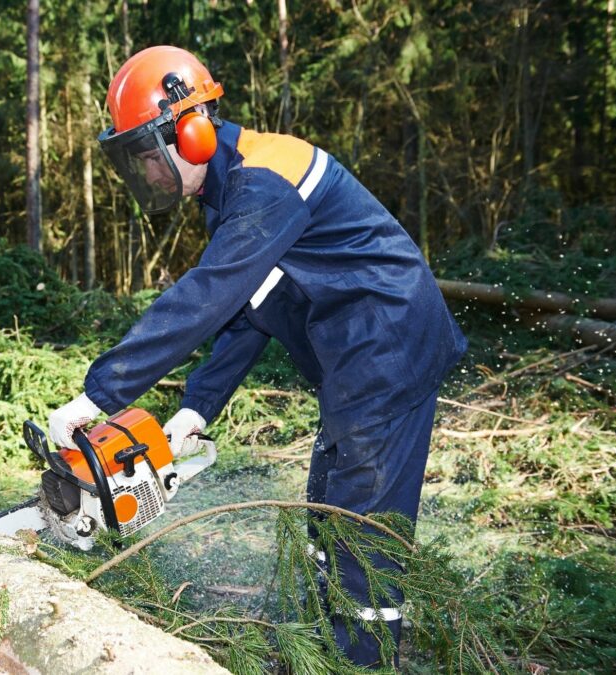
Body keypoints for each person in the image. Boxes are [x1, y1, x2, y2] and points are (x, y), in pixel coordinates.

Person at [47, 45, 467, 668]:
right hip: (354, 361)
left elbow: (207, 295)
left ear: (188, 132)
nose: (151, 175)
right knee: (328, 515)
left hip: (388, 350)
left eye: (148, 157)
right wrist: (197, 408)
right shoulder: (234, 195)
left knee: (361, 534)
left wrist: (103, 392)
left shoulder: (267, 180)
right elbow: (250, 308)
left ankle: (362, 659)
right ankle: (323, 646)